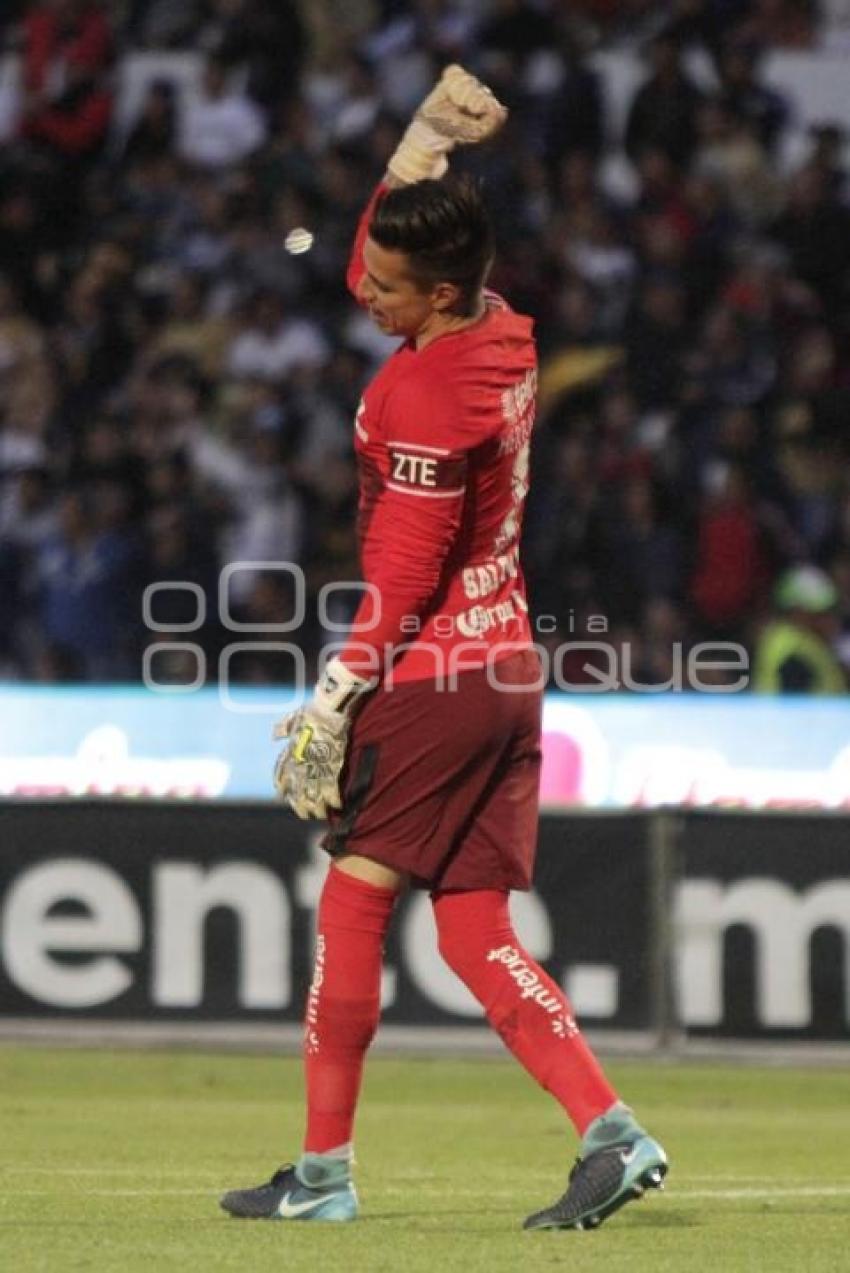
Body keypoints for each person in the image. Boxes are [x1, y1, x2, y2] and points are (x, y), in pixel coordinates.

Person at [220, 64, 667, 1233]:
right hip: (509, 669)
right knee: (472, 931)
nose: (361, 292)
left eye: (384, 286)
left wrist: (333, 693)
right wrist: (416, 151)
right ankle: (612, 1135)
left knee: (354, 908)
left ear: (435, 292)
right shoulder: (499, 332)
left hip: (435, 674)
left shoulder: (423, 400)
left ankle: (322, 1174)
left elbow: (407, 572)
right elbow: (399, 253)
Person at [753, 565, 846, 693]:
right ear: (797, 612)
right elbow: (792, 706)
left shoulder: (792, 639)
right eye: (818, 613)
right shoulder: (794, 652)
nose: (827, 619)